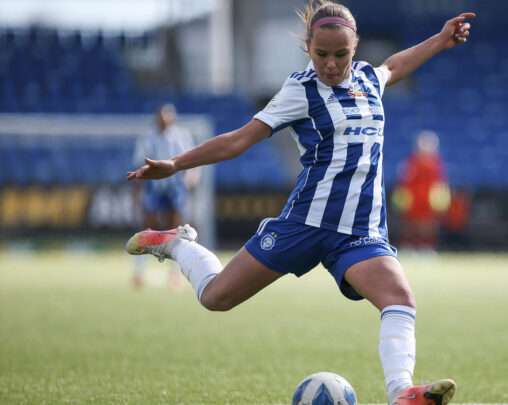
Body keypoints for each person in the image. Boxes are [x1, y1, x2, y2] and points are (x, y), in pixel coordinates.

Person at [125, 2, 473, 404]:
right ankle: (175, 242)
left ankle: (402, 392)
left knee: (400, 299)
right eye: (321, 54)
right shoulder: (300, 91)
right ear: (308, 47)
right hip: (305, 223)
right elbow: (240, 138)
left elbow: (393, 65)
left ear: (355, 46)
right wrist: (176, 163)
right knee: (216, 297)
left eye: (341, 54)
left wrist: (440, 41)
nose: (331, 64)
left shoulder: (366, 78)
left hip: (359, 234)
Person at [131, 103, 199, 290]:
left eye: (168, 115)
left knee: (174, 231)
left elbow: (193, 162)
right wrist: (137, 192)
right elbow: (139, 166)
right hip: (154, 188)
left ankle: (174, 274)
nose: (164, 119)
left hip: (175, 188)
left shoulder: (181, 136)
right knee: (148, 229)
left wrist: (191, 179)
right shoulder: (147, 139)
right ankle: (138, 273)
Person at [392, 130, 450, 253]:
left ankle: (426, 247)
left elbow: (440, 181)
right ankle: (408, 245)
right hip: (413, 196)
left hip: (428, 197)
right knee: (410, 223)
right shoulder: (411, 160)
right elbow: (404, 178)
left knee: (428, 224)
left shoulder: (436, 162)